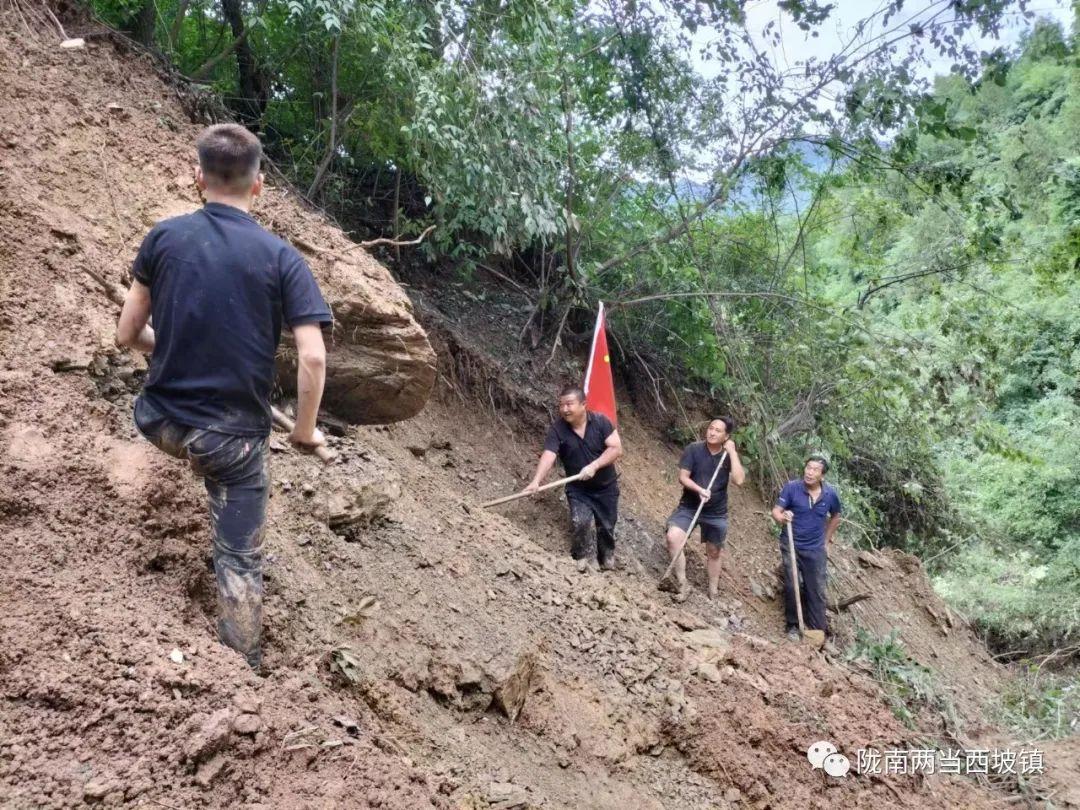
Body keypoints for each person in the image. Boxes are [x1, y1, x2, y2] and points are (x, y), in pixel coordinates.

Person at [115, 124, 333, 669]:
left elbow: (128, 336)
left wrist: (176, 349)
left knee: (200, 449)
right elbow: (313, 357)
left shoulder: (162, 238)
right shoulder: (282, 259)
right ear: (258, 185)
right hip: (230, 443)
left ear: (198, 178)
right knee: (239, 555)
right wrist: (304, 430)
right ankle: (242, 669)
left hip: (158, 421)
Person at [525, 385, 623, 572]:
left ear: (583, 405)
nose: (564, 409)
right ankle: (586, 559)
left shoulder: (601, 422)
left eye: (569, 404)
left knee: (607, 525)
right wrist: (536, 481)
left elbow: (616, 448)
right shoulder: (558, 429)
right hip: (578, 489)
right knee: (581, 522)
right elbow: (549, 454)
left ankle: (607, 557)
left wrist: (594, 466)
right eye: (561, 405)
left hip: (606, 487)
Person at [663, 417, 745, 602]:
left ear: (726, 436)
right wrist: (699, 490)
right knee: (673, 537)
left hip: (716, 512)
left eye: (718, 430)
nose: (712, 432)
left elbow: (739, 480)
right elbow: (683, 477)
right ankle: (682, 583)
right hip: (690, 506)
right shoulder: (694, 449)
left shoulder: (727, 455)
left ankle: (713, 592)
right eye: (711, 428)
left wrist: (732, 452)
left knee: (714, 551)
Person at [771, 456, 842, 641]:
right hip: (791, 543)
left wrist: (826, 541)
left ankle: (817, 631)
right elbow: (776, 511)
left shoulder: (830, 495)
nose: (810, 472)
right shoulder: (792, 488)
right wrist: (782, 518)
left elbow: (836, 517)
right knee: (793, 583)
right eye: (808, 468)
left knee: (816, 588)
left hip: (815, 548)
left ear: (822, 475)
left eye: (815, 470)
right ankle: (793, 626)